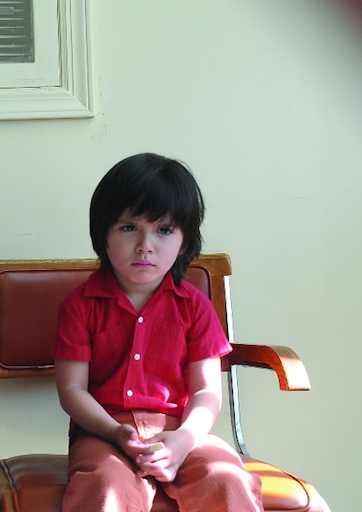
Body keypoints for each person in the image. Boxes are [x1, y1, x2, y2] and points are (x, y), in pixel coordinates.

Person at [53, 153, 263, 511]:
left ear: (184, 242)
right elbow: (72, 390)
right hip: (104, 433)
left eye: (164, 230)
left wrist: (184, 439)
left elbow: (207, 391)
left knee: (227, 479)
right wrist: (115, 432)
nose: (145, 245)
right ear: (102, 234)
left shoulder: (194, 306)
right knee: (107, 487)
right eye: (129, 227)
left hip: (182, 430)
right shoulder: (80, 304)